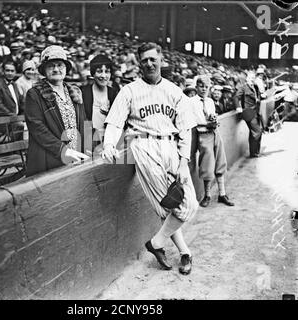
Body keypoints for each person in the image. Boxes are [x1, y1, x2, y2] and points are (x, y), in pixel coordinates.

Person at [101, 42, 198, 275]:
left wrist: (184, 162)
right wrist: (107, 144)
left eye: (153, 59)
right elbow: (114, 122)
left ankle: (156, 243)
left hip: (171, 145)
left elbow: (185, 130)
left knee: (187, 204)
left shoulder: (174, 91)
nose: (149, 63)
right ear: (139, 63)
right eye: (144, 60)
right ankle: (185, 253)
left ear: (161, 60)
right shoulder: (129, 91)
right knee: (168, 205)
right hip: (143, 145)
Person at [25, 45, 89, 177]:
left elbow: (83, 123)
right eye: (50, 66)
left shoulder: (75, 92)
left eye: (60, 65)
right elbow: (37, 129)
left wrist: (89, 147)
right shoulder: (34, 94)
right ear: (44, 70)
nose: (56, 69)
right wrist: (63, 151)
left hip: (77, 155)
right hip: (50, 158)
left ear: (66, 69)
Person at [189, 76, 234, 208]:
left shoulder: (209, 101)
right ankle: (207, 195)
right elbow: (192, 121)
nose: (204, 89)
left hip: (214, 133)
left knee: (220, 162)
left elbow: (212, 115)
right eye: (201, 86)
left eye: (206, 87)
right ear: (196, 87)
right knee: (207, 166)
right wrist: (206, 123)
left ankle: (222, 194)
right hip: (202, 134)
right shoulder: (191, 101)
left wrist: (214, 120)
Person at [81, 55, 119, 150]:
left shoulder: (113, 93)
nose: (103, 76)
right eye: (99, 71)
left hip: (109, 142)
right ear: (93, 73)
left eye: (107, 71)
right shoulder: (83, 92)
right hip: (88, 142)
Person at [0, 61, 25, 140]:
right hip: (1, 119)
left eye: (12, 71)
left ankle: (19, 149)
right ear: (3, 72)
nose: (10, 73)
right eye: (7, 70)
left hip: (14, 118)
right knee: (19, 125)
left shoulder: (14, 85)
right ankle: (7, 145)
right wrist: (14, 117)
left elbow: (22, 102)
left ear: (15, 72)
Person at [234, 72, 263, 158]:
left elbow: (257, 98)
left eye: (254, 77)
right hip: (249, 113)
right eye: (251, 77)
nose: (252, 79)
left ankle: (254, 152)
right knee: (257, 131)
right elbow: (236, 97)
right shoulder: (243, 87)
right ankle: (254, 152)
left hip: (256, 112)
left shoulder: (256, 87)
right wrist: (238, 107)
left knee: (254, 132)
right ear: (247, 79)